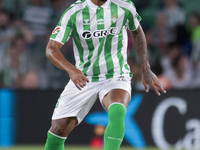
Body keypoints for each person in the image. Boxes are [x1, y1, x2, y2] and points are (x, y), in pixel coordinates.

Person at [44, 0, 166, 150]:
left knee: (118, 110)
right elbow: (51, 49)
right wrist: (72, 70)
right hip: (83, 77)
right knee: (56, 133)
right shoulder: (74, 12)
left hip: (115, 74)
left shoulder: (124, 6)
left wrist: (146, 68)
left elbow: (137, 31)